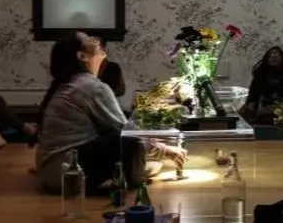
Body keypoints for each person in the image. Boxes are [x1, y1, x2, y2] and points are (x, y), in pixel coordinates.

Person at [36, 32, 187, 194]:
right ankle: (122, 179)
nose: (95, 41)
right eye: (89, 40)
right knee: (127, 140)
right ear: (82, 56)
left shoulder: (71, 84)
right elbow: (126, 133)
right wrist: (165, 150)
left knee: (126, 140)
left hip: (51, 172)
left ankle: (126, 173)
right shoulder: (91, 86)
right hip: (69, 173)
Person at [242, 46, 283, 123]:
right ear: (267, 59)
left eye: (277, 54)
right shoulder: (261, 73)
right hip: (268, 106)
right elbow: (254, 92)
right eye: (271, 55)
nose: (274, 56)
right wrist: (251, 103)